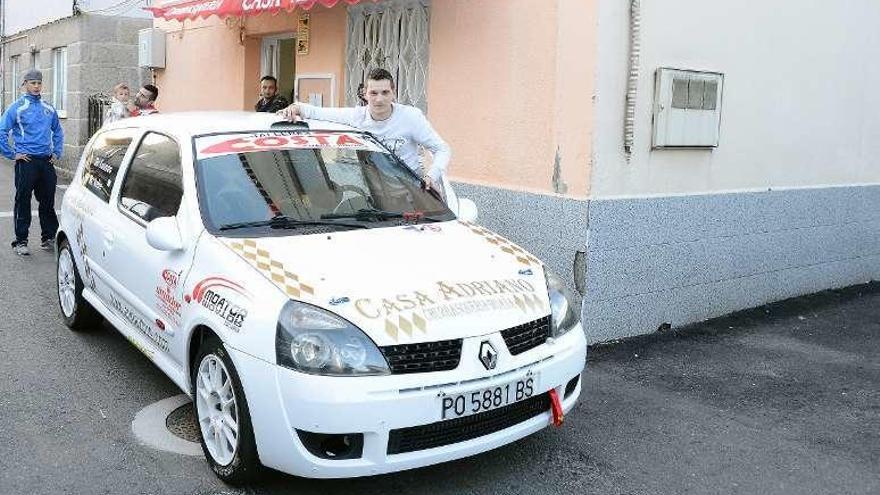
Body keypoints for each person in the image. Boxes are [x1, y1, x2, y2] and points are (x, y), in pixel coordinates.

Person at [278, 68, 450, 189]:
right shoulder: (357, 117)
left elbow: (442, 149)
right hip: (376, 193)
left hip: (410, 191)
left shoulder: (411, 117)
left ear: (393, 92)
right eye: (373, 93)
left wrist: (431, 176)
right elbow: (321, 113)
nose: (379, 99)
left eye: (385, 92)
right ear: (365, 94)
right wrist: (296, 108)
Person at [0, 70, 64, 256]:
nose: (36, 86)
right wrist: (12, 154)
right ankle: (21, 241)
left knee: (47, 201)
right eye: (33, 83)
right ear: (25, 84)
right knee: (23, 201)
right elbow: (2, 131)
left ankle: (48, 237)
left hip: (46, 161)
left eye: (39, 83)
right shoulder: (17, 107)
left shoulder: (48, 108)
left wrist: (56, 152)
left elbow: (58, 131)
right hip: (26, 161)